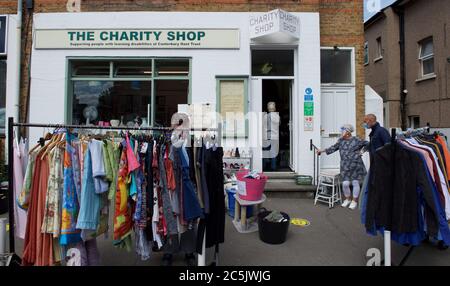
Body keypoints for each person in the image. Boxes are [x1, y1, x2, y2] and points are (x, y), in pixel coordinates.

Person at [317, 124, 368, 210]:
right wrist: (321, 151)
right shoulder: (341, 140)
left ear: (347, 132)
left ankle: (354, 201)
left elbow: (367, 144)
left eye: (343, 130)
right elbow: (333, 148)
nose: (341, 132)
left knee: (355, 182)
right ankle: (348, 199)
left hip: (355, 164)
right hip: (344, 165)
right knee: (345, 183)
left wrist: (361, 152)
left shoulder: (357, 139)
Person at [262, 102, 280, 171]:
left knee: (265, 152)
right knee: (273, 153)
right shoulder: (277, 116)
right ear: (274, 108)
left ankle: (264, 167)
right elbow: (279, 124)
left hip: (267, 136)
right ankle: (273, 167)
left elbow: (263, 125)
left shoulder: (266, 116)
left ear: (268, 108)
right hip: (275, 137)